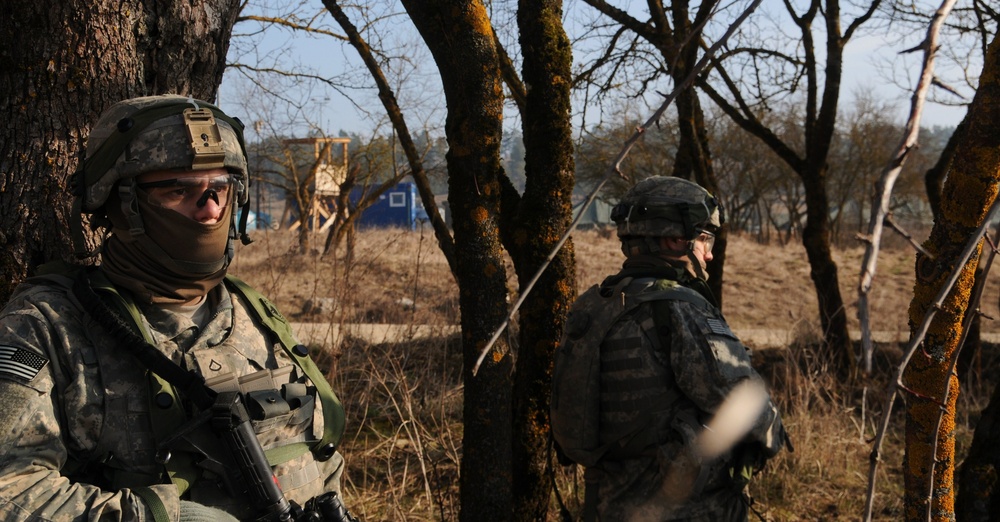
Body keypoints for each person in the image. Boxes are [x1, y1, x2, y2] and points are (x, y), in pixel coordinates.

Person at [0, 95, 355, 521]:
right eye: (177, 190)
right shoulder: (47, 326)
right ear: (121, 202)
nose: (209, 210)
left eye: (220, 189)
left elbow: (319, 453)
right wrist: (164, 517)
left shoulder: (256, 313)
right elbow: (10, 487)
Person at [551, 176, 788, 521]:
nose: (709, 253)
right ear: (676, 239)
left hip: (606, 504)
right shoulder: (679, 307)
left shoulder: (593, 306)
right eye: (705, 239)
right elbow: (738, 399)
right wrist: (774, 433)